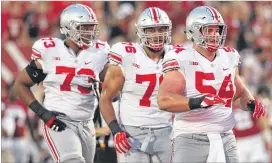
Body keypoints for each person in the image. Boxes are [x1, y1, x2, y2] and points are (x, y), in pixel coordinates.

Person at [157, 6, 267, 163]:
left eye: (217, 30)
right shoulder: (181, 57)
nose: (215, 35)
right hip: (191, 136)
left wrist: (251, 104)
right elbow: (164, 100)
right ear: (194, 31)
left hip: (225, 136)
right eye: (209, 30)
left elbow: (238, 94)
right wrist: (197, 102)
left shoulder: (229, 56)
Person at [14, 4, 109, 163]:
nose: (90, 32)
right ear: (68, 27)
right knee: (72, 160)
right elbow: (20, 85)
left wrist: (108, 90)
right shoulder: (50, 50)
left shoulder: (99, 53)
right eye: (84, 27)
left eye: (92, 27)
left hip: (87, 123)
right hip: (59, 120)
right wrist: (44, 114)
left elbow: (112, 90)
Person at [100, 7, 173, 163]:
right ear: (141, 31)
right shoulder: (126, 55)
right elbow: (105, 98)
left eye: (162, 29)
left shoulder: (178, 56)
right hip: (132, 132)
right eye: (151, 30)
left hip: (166, 131)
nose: (157, 34)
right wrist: (116, 130)